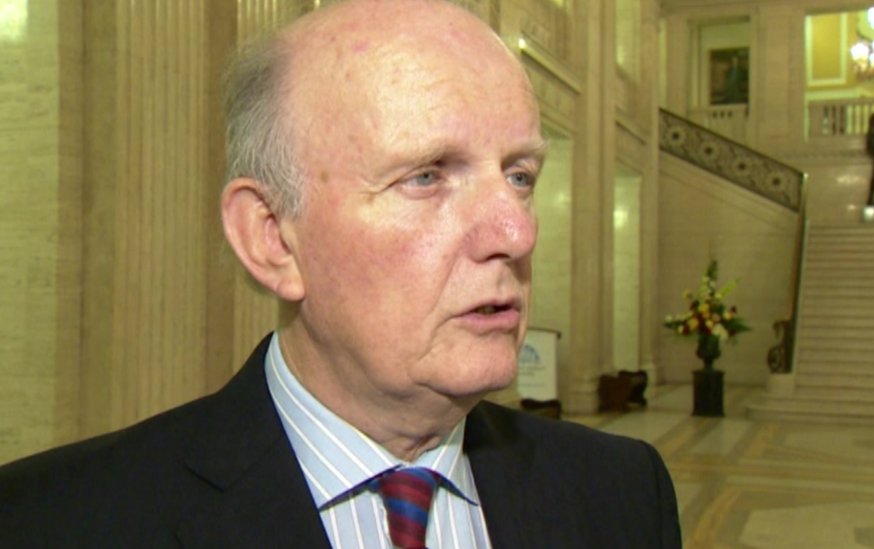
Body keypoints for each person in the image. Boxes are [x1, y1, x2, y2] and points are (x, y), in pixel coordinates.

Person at [0, 1, 681, 547]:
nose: (517, 233)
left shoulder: (621, 493)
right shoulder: (49, 523)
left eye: (520, 175)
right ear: (272, 238)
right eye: (426, 176)